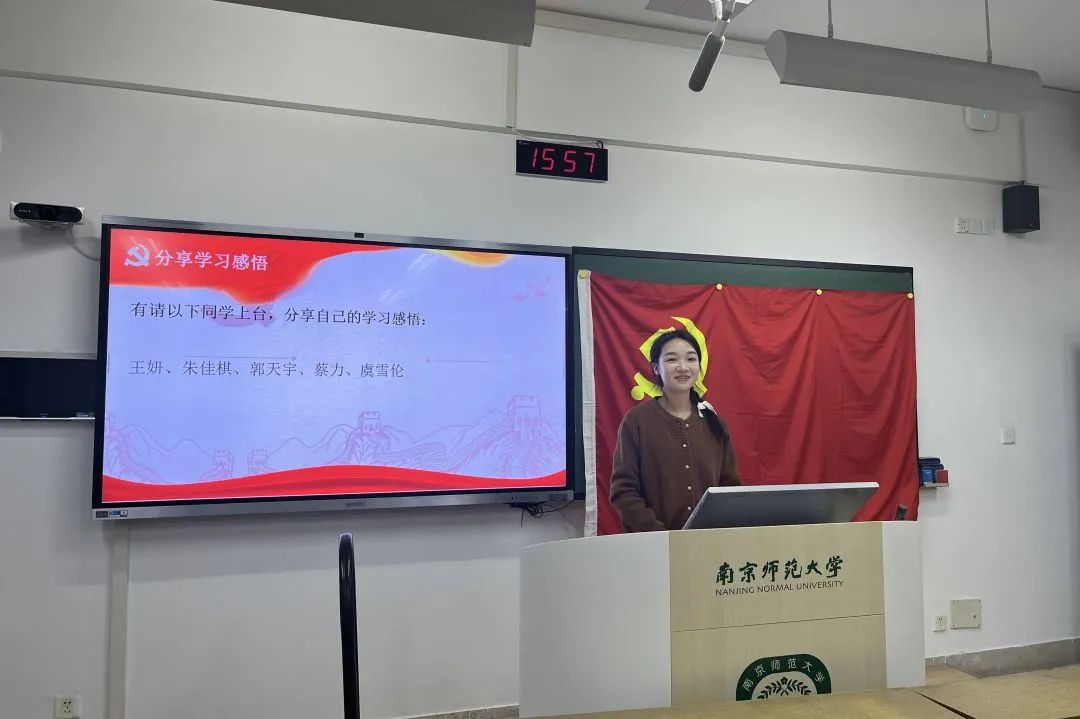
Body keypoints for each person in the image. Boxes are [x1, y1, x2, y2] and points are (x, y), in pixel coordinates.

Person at [610, 328, 740, 531]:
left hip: (706, 542)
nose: (683, 367)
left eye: (691, 359)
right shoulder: (636, 421)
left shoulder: (714, 423)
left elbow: (729, 489)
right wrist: (661, 535)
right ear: (656, 368)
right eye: (672, 359)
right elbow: (623, 491)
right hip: (653, 543)